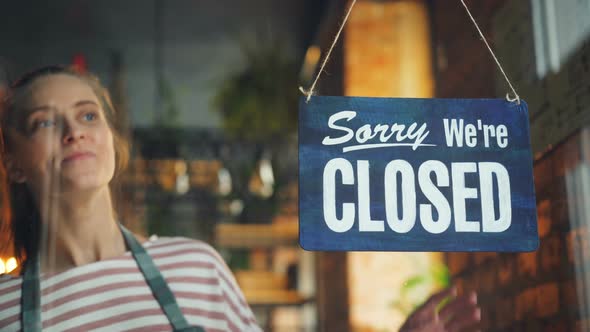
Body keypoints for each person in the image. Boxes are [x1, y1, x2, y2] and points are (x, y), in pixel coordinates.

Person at [0, 65, 479, 331]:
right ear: (14, 164)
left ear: (111, 143)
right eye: (43, 122)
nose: (72, 133)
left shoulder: (195, 269)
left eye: (87, 117)